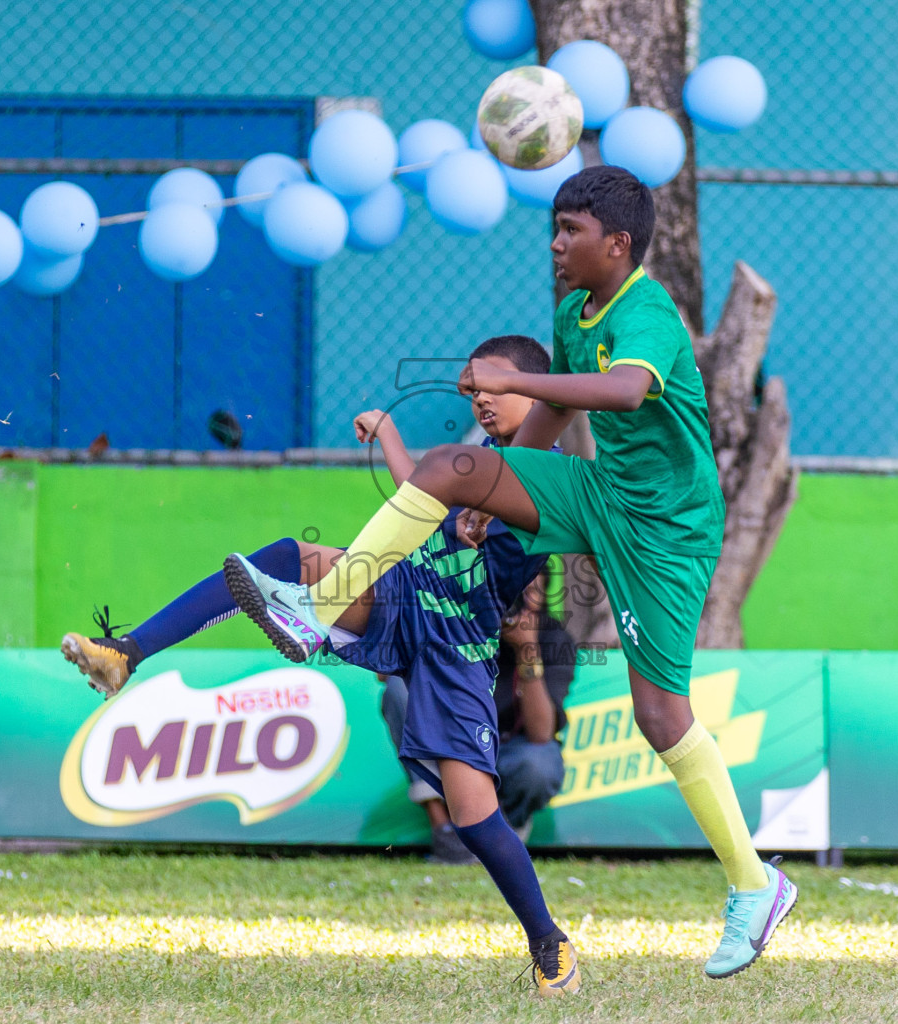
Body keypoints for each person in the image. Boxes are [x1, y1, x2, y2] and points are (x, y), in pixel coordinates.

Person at [223, 165, 797, 980]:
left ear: (618, 244)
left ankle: (754, 884)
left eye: (572, 232)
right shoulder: (573, 309)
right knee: (458, 464)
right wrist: (501, 489)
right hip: (599, 492)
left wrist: (514, 378)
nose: (557, 244)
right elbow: (561, 413)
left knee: (662, 718)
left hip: (667, 530)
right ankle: (325, 601)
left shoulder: (650, 313)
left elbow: (625, 393)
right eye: (555, 227)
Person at [62, 334, 581, 997]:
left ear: (535, 391)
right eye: (470, 387)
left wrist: (490, 515)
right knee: (287, 556)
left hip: (460, 639)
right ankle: (125, 655)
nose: (479, 397)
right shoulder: (479, 457)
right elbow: (420, 495)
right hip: (404, 591)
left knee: (475, 815)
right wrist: (393, 435)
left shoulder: (554, 472)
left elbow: (520, 504)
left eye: (493, 385)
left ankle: (549, 944)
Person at [382, 567, 575, 863]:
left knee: (539, 764)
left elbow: (541, 734)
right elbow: (388, 675)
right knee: (400, 689)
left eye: (530, 592)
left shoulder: (553, 637)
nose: (519, 601)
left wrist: (527, 650)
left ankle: (503, 829)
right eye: (513, 590)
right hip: (454, 749)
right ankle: (443, 827)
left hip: (509, 754)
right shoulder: (461, 618)